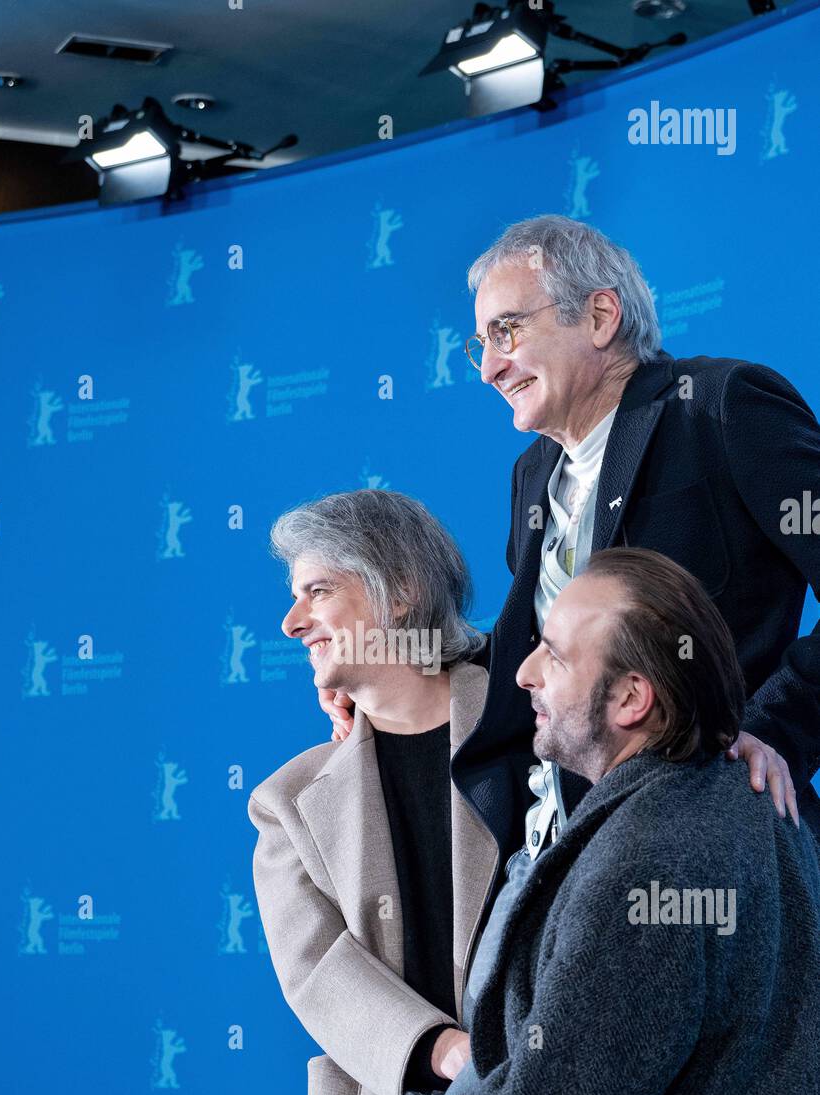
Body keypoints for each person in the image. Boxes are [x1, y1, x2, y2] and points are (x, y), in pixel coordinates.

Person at [322, 215, 819, 907]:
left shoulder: (720, 408)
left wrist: (775, 730)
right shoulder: (532, 475)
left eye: (507, 331)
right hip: (559, 857)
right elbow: (528, 657)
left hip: (706, 847)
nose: (491, 367)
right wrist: (383, 666)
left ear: (599, 314)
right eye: (481, 345)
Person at [413, 547, 820, 1095]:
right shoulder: (756, 803)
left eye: (554, 657)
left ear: (631, 698)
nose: (525, 674)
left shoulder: (646, 860)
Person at [246, 489, 500, 1095]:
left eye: (317, 591)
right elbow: (319, 975)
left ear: (398, 589)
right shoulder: (287, 802)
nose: (292, 623)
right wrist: (445, 1052)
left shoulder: (538, 731)